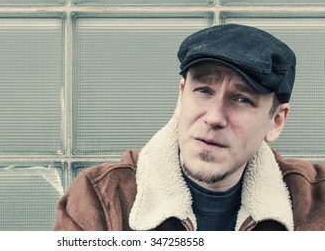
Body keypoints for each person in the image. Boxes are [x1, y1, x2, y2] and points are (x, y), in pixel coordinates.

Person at [54, 24, 325, 231]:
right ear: (181, 97)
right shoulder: (102, 197)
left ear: (276, 121)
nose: (214, 117)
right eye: (204, 90)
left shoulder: (316, 200)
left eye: (242, 99)